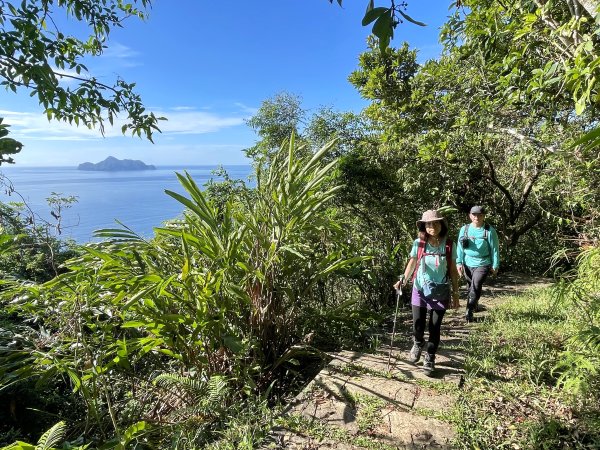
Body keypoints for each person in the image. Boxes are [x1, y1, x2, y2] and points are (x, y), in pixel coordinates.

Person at [394, 209, 459, 376]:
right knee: (418, 325)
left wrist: (456, 293)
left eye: (436, 223)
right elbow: (412, 263)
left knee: (435, 327)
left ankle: (430, 357)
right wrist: (403, 280)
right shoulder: (419, 243)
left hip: (440, 291)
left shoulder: (449, 244)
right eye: (429, 224)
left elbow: (453, 271)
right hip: (420, 289)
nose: (432, 227)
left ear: (441, 224)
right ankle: (417, 342)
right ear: (424, 226)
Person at [456, 205, 500, 322]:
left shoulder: (489, 230)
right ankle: (474, 304)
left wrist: (495, 265)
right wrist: (458, 262)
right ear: (470, 216)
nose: (477, 217)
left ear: (484, 216)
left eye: (480, 215)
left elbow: (494, 249)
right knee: (470, 286)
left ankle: (468, 311)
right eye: (474, 215)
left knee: (476, 285)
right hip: (467, 262)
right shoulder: (464, 229)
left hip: (483, 262)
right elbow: (460, 247)